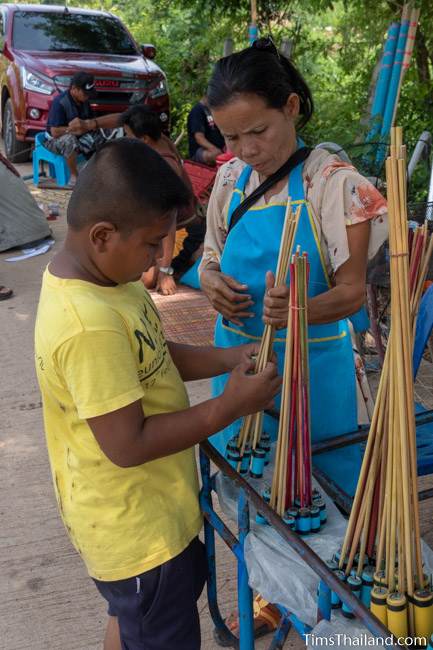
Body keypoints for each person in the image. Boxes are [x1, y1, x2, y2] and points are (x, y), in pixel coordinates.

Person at [34, 138, 280, 650]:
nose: (162, 256)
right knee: (158, 626)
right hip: (137, 534)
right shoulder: (87, 325)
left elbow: (152, 353)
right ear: (103, 235)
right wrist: (229, 405)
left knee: (137, 619)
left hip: (152, 515)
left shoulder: (108, 277)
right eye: (152, 244)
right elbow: (129, 444)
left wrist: (229, 357)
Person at [199, 38, 388, 638]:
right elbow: (207, 257)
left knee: (318, 504)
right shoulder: (230, 180)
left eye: (256, 131)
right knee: (253, 497)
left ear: (291, 107)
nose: (245, 150)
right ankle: (268, 595)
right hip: (241, 363)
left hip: (315, 371)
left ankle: (334, 612)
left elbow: (354, 291)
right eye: (230, 137)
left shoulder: (335, 182)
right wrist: (211, 284)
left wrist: (302, 304)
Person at [120, 105, 205, 294]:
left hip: (188, 230)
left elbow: (168, 222)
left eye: (128, 135)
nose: (126, 139)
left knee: (147, 280)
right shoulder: (159, 139)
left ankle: (193, 254)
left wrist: (165, 272)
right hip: (165, 223)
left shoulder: (164, 166)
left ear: (144, 139)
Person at [45, 72, 104, 185]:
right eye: (85, 93)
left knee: (101, 136)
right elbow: (54, 132)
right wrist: (71, 129)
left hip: (79, 137)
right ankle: (74, 175)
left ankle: (96, 171)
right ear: (74, 89)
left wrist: (87, 127)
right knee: (69, 140)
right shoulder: (60, 102)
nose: (87, 96)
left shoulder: (84, 101)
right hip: (53, 141)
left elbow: (90, 122)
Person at [187, 95, 225, 165]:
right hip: (200, 150)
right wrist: (214, 149)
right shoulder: (197, 111)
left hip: (218, 148)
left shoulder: (212, 110)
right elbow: (199, 138)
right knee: (216, 155)